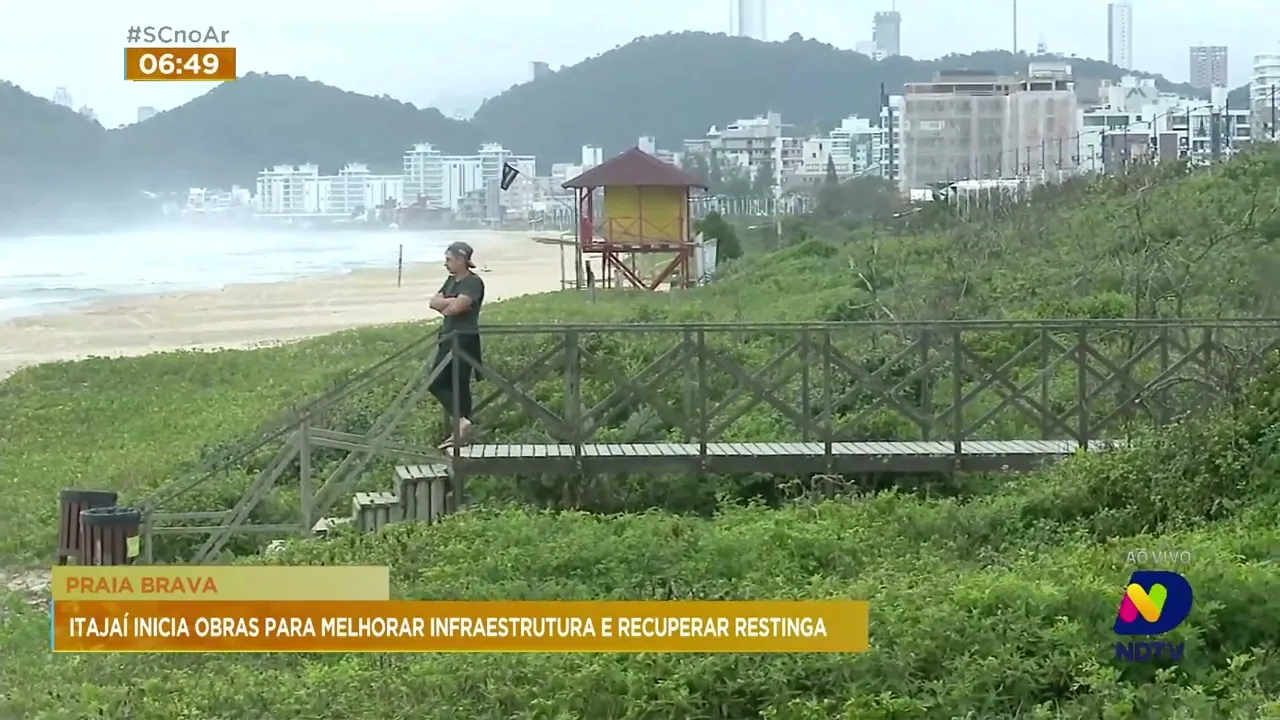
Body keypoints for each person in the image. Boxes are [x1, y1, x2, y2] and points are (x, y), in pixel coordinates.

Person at [428, 241, 485, 448]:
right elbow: (433, 302)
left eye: (449, 259)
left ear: (462, 260)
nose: (446, 264)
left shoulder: (473, 283)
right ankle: (462, 430)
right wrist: (447, 303)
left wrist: (446, 304)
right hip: (447, 337)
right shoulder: (451, 280)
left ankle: (462, 423)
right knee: (446, 383)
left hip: (464, 339)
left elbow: (455, 308)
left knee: (447, 383)